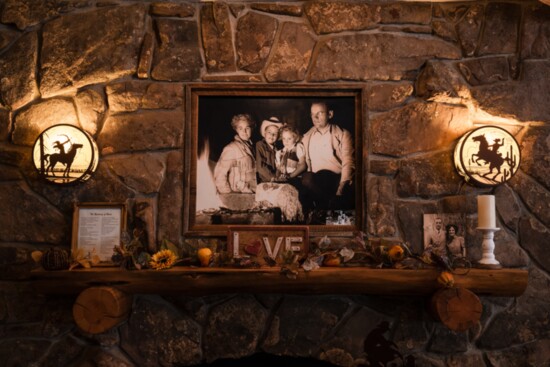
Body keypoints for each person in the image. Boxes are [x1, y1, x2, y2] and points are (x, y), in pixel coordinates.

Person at [301, 101, 355, 210]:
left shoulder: (343, 134)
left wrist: (341, 189)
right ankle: (325, 207)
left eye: (320, 113)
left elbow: (348, 162)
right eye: (312, 114)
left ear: (330, 114)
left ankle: (329, 206)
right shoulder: (307, 136)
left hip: (336, 180)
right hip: (315, 183)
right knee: (306, 179)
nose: (315, 117)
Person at [214, 114, 257, 194]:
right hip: (238, 196)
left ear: (251, 129)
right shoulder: (231, 148)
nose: (244, 132)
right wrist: (228, 196)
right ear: (236, 130)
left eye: (247, 128)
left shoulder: (252, 147)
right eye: (240, 128)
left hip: (251, 194)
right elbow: (220, 175)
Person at [256, 117, 283, 183]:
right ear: (264, 133)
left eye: (275, 133)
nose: (272, 135)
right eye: (269, 132)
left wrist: (278, 177)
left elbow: (278, 167)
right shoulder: (260, 145)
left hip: (275, 181)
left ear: (278, 136)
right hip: (264, 181)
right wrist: (272, 177)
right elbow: (260, 166)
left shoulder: (277, 149)